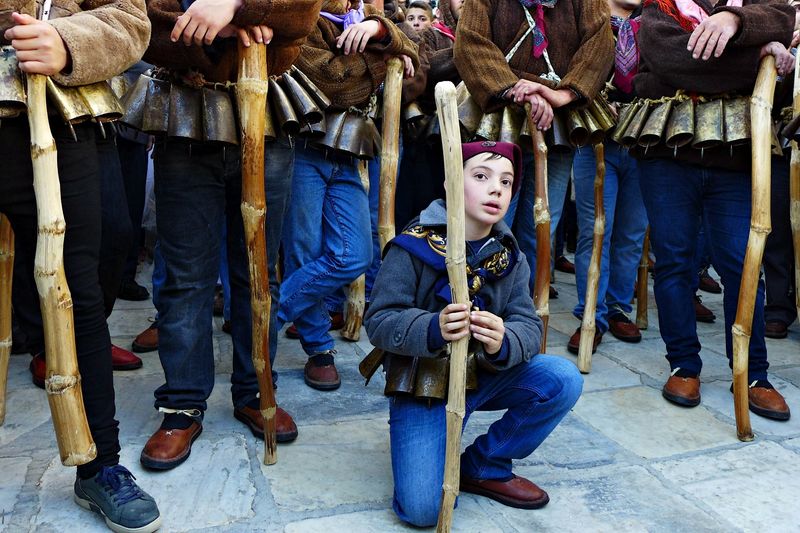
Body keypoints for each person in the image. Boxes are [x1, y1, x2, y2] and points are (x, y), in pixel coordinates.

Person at [137, 0, 322, 470]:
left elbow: (299, 16)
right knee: (186, 278)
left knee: (258, 272)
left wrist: (232, 4)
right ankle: (181, 405)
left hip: (266, 114)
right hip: (183, 112)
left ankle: (256, 390)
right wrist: (214, 31)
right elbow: (141, 20)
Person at [1, 1, 161, 531]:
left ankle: (99, 464)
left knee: (78, 292)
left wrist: (67, 41)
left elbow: (130, 18)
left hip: (61, 115)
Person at [364, 141, 583, 527]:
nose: (496, 189)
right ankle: (429, 446)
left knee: (562, 379)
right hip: (425, 387)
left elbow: (529, 327)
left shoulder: (509, 255)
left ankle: (483, 464)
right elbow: (379, 320)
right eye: (480, 177)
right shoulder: (413, 246)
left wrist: (504, 339)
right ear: (451, 183)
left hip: (484, 375)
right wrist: (432, 327)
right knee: (423, 511)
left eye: (506, 181)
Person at [634, 0, 794, 419]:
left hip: (735, 161)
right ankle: (684, 365)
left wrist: (734, 20)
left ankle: (754, 373)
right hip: (666, 157)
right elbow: (675, 62)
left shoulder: (751, 4)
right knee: (673, 263)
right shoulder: (659, 8)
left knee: (744, 265)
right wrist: (757, 55)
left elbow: (782, 16)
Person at [279, 0, 418, 391]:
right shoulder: (299, 15)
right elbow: (333, 83)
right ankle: (319, 348)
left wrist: (381, 33)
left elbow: (414, 51)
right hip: (302, 148)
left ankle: (268, 315)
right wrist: (384, 59)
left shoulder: (363, 19)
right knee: (303, 250)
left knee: (357, 253)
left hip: (347, 154)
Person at [454, 0, 614, 293]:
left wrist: (563, 94)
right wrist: (519, 90)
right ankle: (480, 304)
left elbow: (599, 42)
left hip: (558, 121)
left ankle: (522, 308)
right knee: (491, 221)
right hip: (499, 114)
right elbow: (470, 42)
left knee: (541, 226)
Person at [568, 0, 648, 354]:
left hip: (644, 141)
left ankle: (618, 308)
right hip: (596, 140)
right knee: (595, 230)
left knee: (632, 232)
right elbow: (571, 70)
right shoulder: (587, 18)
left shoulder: (658, 19)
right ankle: (591, 314)